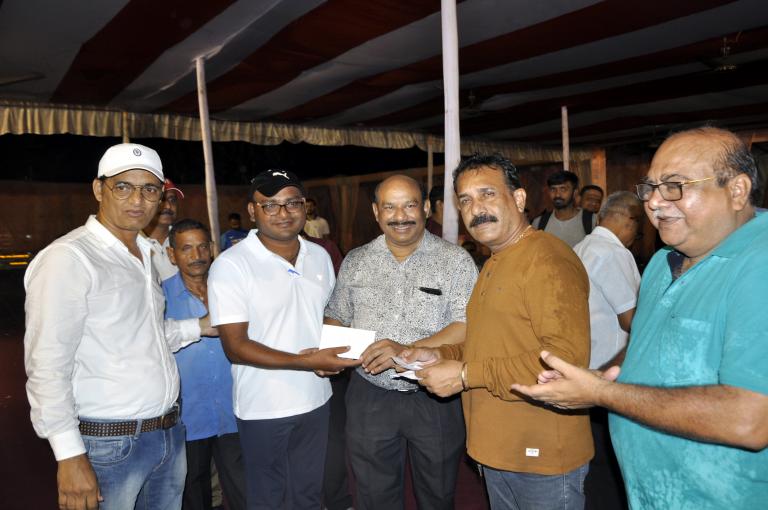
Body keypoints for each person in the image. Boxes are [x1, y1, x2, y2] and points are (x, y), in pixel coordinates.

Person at [512, 127, 768, 509]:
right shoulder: (664, 262)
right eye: (650, 187)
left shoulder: (759, 263)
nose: (654, 202)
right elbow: (645, 343)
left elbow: (751, 419)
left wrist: (601, 394)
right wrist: (600, 376)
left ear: (737, 190)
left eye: (675, 186)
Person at [24, 143, 214, 510]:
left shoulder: (144, 254)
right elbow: (47, 365)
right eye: (123, 186)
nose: (138, 200)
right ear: (99, 189)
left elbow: (146, 334)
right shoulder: (69, 258)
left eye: (149, 189)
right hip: (108, 444)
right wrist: (68, 453)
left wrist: (202, 326)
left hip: (167, 434)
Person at [401, 154, 593, 510]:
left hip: (541, 458)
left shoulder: (547, 259)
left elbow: (564, 362)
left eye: (488, 194)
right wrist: (440, 355)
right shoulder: (495, 261)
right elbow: (488, 344)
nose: (477, 209)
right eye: (465, 200)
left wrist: (464, 375)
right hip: (497, 451)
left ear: (518, 199)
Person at [207, 169, 359, 510]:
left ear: (305, 207)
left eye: (292, 203)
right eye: (270, 205)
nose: (283, 213)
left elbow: (327, 317)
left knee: (308, 495)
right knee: (268, 497)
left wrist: (334, 353)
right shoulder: (231, 265)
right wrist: (305, 361)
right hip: (264, 405)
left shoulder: (319, 256)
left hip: (317, 398)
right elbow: (235, 346)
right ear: (252, 211)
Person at [325, 175, 477, 510]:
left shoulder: (454, 261)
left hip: (434, 394)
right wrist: (327, 351)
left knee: (438, 493)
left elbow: (468, 325)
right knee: (373, 494)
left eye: (409, 205)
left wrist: (404, 351)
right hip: (369, 393)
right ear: (376, 211)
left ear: (426, 208)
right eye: (390, 207)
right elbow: (337, 314)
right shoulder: (357, 260)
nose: (400, 216)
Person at [164, 219, 246, 510]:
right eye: (186, 248)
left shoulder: (232, 290)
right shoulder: (159, 297)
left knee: (245, 490)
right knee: (193, 495)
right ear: (171, 254)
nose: (196, 255)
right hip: (189, 417)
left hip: (235, 409)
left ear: (211, 248)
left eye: (201, 246)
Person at [573, 191, 642, 510]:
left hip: (586, 365)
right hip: (610, 371)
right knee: (610, 470)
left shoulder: (581, 247)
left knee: (592, 465)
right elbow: (631, 320)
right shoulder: (612, 252)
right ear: (629, 220)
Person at [533, 171, 596, 247]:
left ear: (575, 192)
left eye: (563, 189)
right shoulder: (539, 223)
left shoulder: (591, 221)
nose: (557, 194)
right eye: (553, 189)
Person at [144, 177, 185, 280]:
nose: (168, 206)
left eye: (172, 200)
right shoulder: (132, 243)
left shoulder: (183, 240)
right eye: (161, 199)